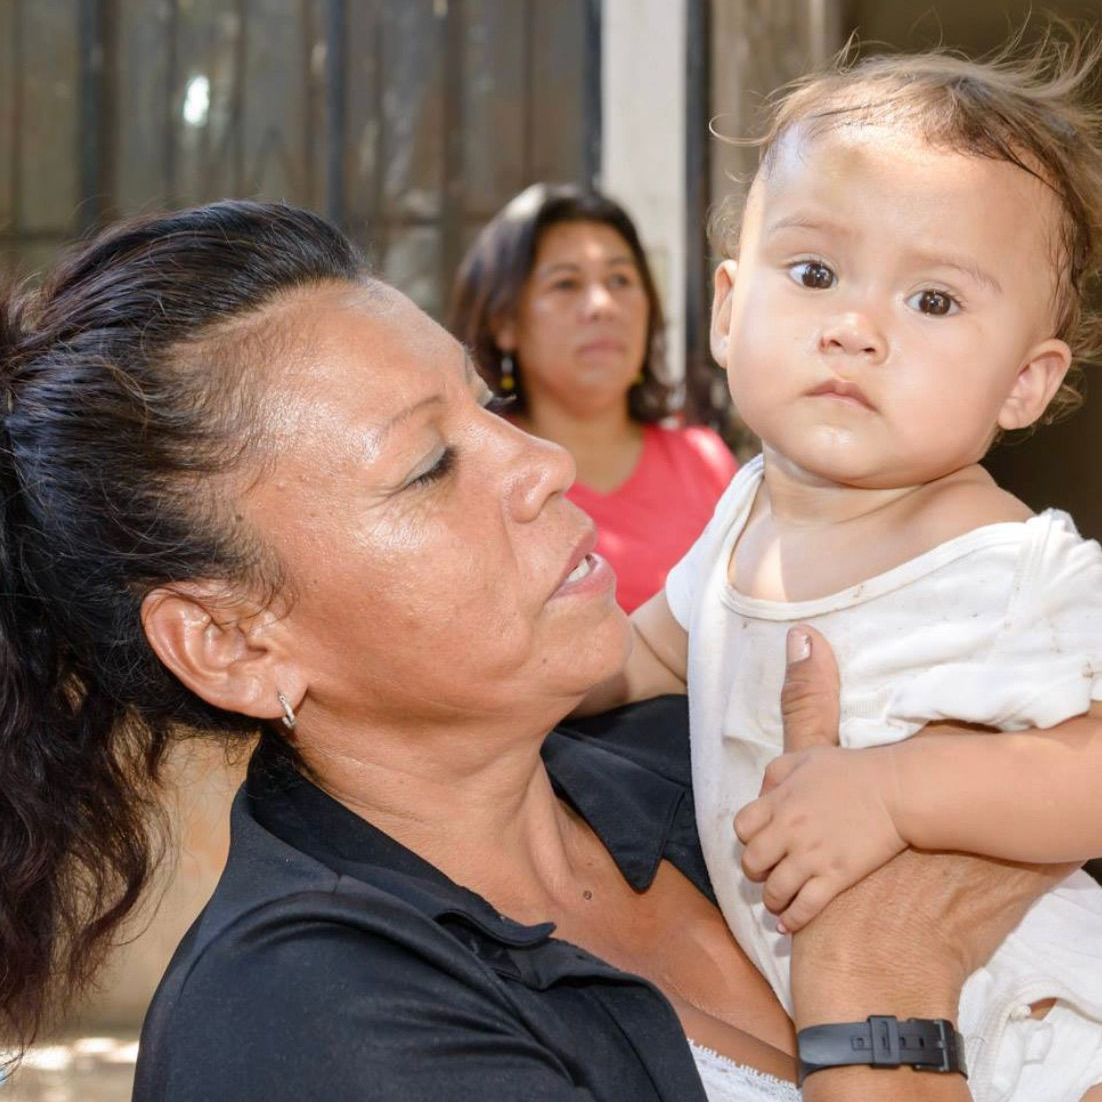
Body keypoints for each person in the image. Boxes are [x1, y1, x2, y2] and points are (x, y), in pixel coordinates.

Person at [0, 198, 1061, 1101]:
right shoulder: (301, 1022)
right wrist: (885, 993)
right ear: (231, 641)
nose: (545, 462)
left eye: (491, 401)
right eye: (426, 465)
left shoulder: (694, 754)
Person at [589, 36, 1102, 1102]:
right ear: (729, 309)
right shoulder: (741, 512)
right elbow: (649, 648)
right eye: (815, 274)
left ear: (1023, 381)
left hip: (1040, 1023)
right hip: (831, 1030)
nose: (856, 329)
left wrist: (895, 794)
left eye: (934, 301)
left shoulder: (1004, 561)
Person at [448, 183, 737, 613]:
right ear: (504, 321)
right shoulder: (474, 473)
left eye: (620, 280)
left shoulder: (703, 461)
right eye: (566, 284)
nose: (602, 305)